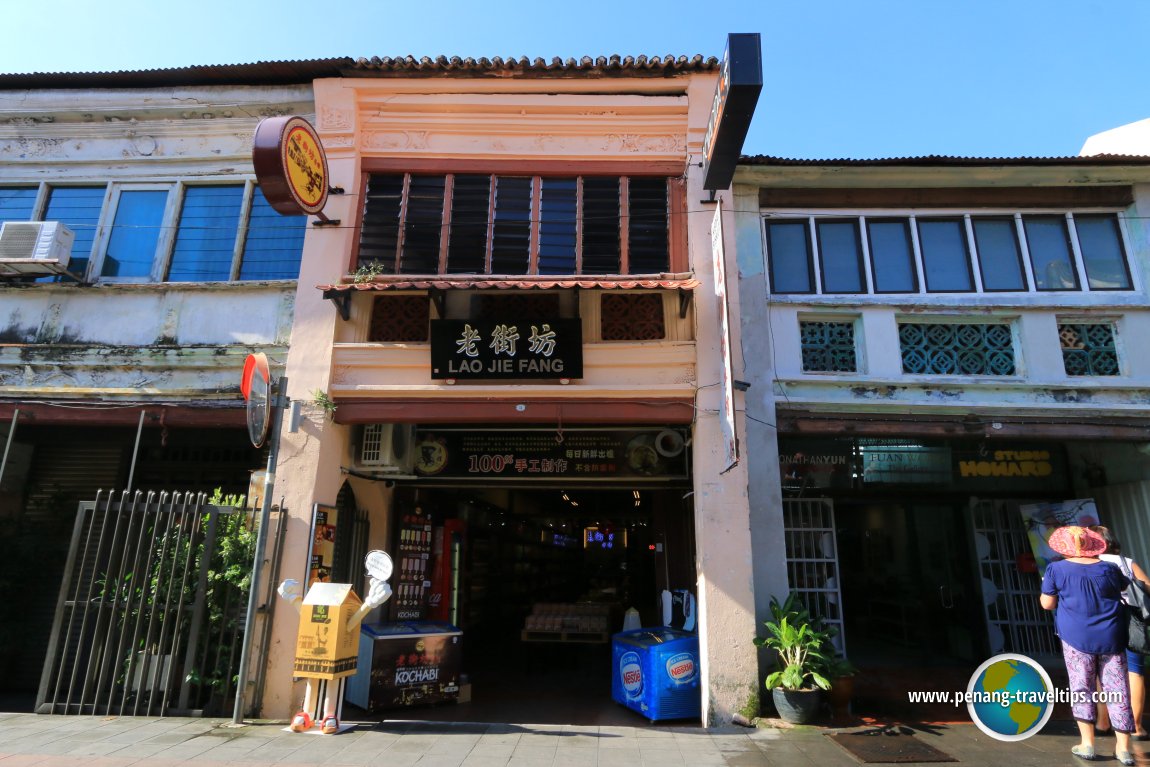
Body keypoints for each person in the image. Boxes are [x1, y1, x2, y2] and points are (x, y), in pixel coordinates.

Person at [1041, 525, 1136, 764]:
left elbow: (1047, 604)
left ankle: (1088, 744)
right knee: (1118, 689)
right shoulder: (1109, 568)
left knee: (1082, 687)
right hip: (1111, 637)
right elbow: (1123, 587)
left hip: (1076, 637)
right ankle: (1124, 748)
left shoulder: (1056, 569)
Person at [1091, 525, 1150, 741]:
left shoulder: (1092, 564)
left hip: (1104, 620)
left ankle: (1103, 722)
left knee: (1102, 671)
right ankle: (1136, 726)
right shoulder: (1127, 562)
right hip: (1131, 619)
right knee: (1134, 670)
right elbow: (1148, 586)